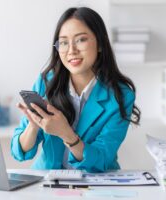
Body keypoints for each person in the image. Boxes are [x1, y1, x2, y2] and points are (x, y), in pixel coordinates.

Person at [10, 7, 141, 172]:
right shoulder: (46, 82)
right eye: (64, 42)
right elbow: (19, 152)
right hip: (49, 182)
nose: (71, 50)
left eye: (81, 40)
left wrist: (66, 133)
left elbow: (102, 159)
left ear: (100, 44)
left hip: (96, 183)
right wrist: (33, 125)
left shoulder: (120, 95)